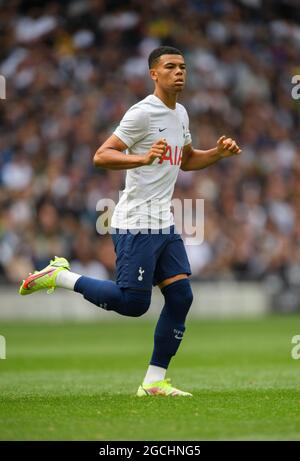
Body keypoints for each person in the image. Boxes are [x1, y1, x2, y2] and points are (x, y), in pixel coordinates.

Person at [19, 46, 241, 397]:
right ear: (154, 74)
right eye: (170, 67)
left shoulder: (180, 113)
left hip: (163, 222)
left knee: (181, 297)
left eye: (183, 66)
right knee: (134, 305)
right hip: (135, 222)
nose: (179, 72)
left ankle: (154, 382)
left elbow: (185, 160)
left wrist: (218, 153)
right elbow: (101, 155)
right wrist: (141, 157)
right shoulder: (142, 113)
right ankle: (60, 276)